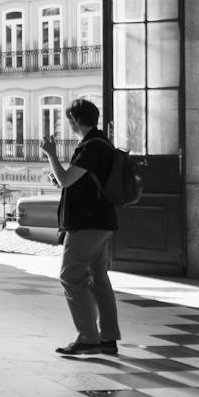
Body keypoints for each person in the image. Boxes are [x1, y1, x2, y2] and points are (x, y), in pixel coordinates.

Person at [38, 99, 120, 356]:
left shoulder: (91, 147)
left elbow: (65, 180)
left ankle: (88, 337)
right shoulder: (101, 143)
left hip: (87, 222)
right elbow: (74, 181)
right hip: (101, 220)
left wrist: (50, 153)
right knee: (98, 280)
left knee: (70, 276)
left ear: (74, 120)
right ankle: (108, 338)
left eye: (68, 119)